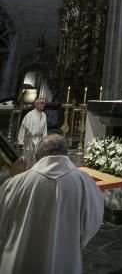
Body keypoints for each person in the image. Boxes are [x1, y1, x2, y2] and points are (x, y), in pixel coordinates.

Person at [0, 134, 104, 274]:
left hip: (21, 260)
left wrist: (13, 177)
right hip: (65, 261)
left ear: (38, 156)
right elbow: (93, 221)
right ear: (66, 153)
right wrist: (71, 241)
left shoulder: (18, 182)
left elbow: (3, 218)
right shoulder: (85, 182)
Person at [17, 97, 48, 168]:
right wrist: (20, 141)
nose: (44, 105)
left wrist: (45, 140)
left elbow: (44, 129)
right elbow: (23, 128)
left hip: (39, 140)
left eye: (44, 103)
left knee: (38, 158)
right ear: (36, 104)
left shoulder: (44, 115)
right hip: (29, 140)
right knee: (28, 159)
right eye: (42, 103)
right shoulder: (30, 115)